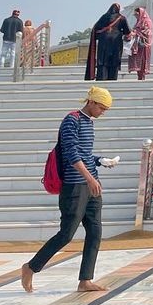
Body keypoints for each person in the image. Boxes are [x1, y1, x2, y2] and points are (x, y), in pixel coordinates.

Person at [21, 86, 119, 293]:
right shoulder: (71, 120)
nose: (102, 112)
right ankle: (31, 267)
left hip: (91, 183)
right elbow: (71, 154)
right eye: (101, 108)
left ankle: (85, 280)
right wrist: (90, 178)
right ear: (91, 102)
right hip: (75, 186)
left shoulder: (88, 124)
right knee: (67, 233)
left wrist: (100, 161)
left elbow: (84, 154)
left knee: (95, 231)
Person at [85, 4, 131, 81]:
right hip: (116, 42)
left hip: (103, 42)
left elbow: (95, 28)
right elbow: (127, 32)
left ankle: (101, 78)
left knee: (103, 61)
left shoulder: (104, 17)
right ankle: (112, 79)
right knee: (114, 61)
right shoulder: (122, 18)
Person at [127, 7, 153, 81]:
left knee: (143, 62)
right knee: (139, 62)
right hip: (138, 46)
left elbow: (148, 33)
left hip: (144, 45)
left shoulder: (147, 21)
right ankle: (139, 76)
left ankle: (142, 77)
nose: (136, 16)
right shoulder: (138, 22)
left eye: (137, 14)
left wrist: (136, 33)